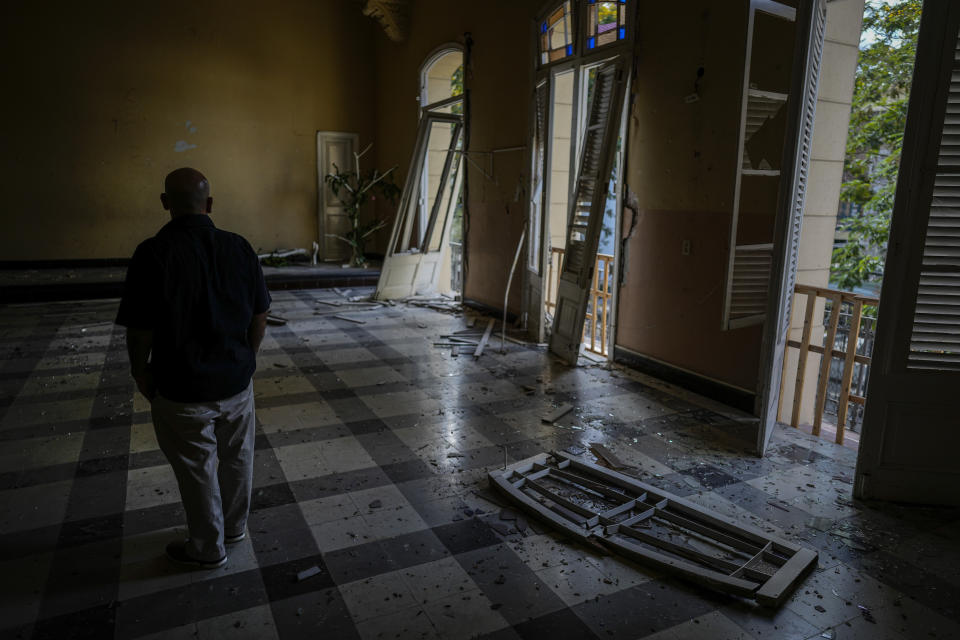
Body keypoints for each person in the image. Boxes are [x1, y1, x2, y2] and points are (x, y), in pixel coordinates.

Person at [116, 168, 270, 569]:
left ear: (165, 202)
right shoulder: (239, 247)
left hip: (181, 387)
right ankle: (234, 529)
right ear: (211, 204)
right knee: (238, 458)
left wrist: (140, 372)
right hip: (236, 381)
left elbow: (140, 330)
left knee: (197, 469)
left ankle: (206, 548)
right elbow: (260, 313)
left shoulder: (152, 253)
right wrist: (248, 358)